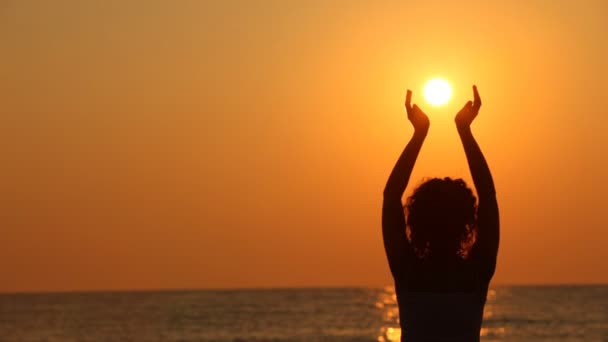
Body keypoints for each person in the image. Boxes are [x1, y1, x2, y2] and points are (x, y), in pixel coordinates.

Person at [382, 86, 499, 341]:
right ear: (468, 222)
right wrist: (465, 131)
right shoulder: (475, 273)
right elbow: (488, 197)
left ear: (416, 219)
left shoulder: (408, 271)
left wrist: (419, 135)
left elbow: (391, 197)